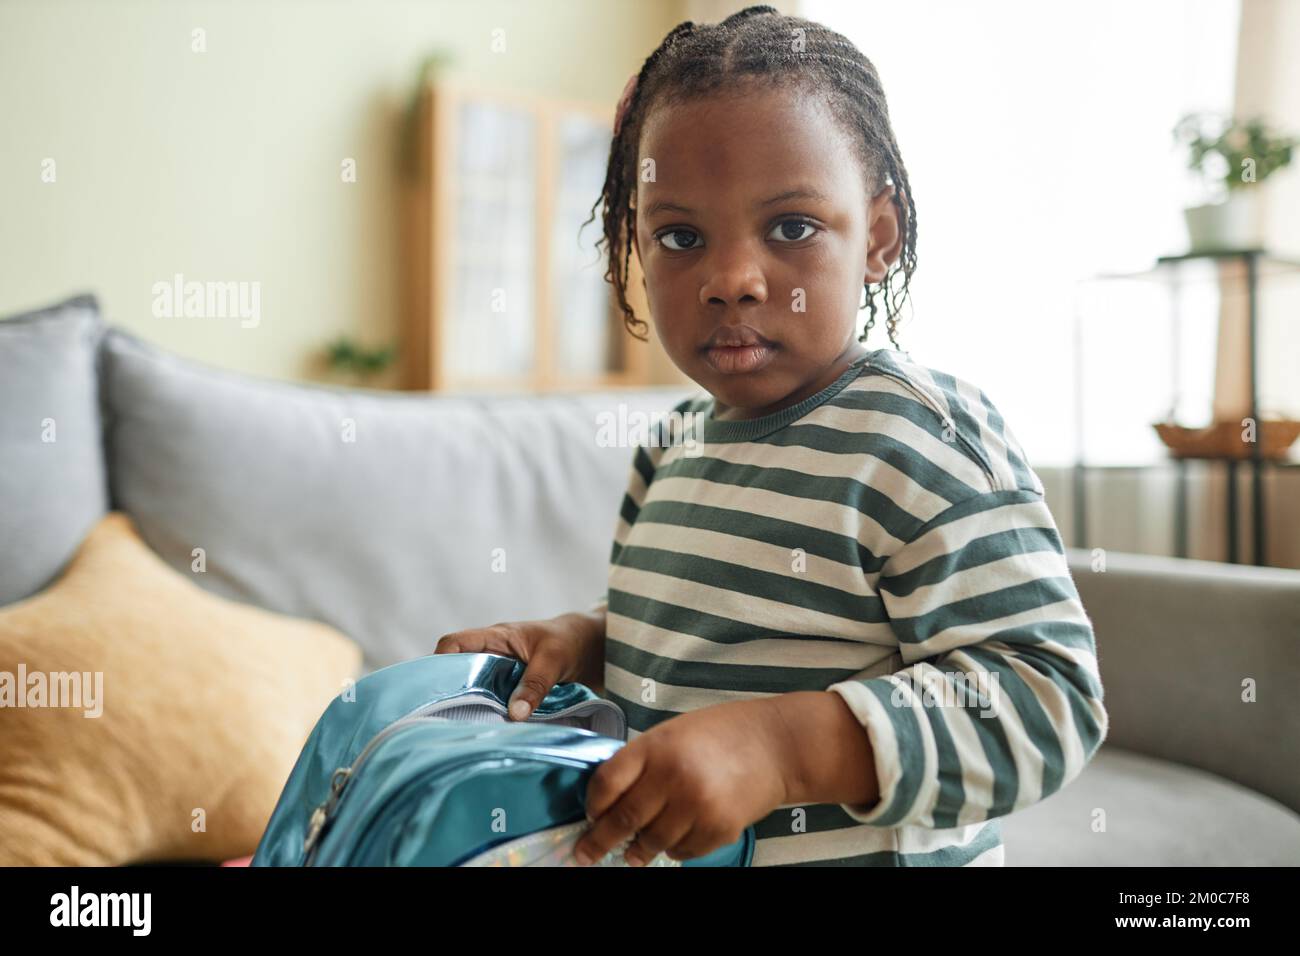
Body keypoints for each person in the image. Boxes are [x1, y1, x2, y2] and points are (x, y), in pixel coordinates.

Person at [436, 4, 1108, 867]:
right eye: (679, 236)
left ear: (879, 237)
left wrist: (783, 751)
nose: (731, 279)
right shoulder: (673, 447)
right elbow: (694, 640)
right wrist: (584, 644)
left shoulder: (922, 438)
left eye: (791, 227)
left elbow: (1046, 699)